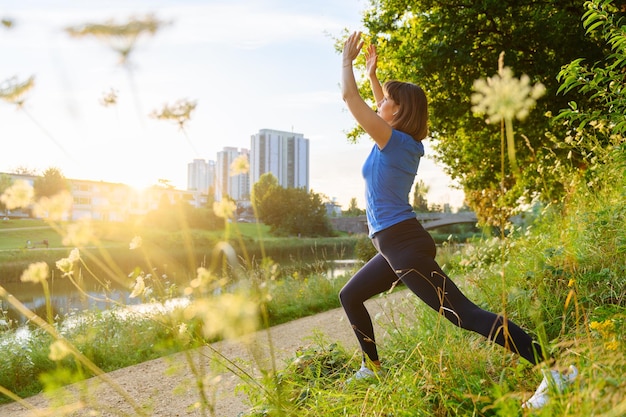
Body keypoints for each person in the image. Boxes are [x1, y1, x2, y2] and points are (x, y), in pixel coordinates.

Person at [339, 31, 576, 409]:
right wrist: (372, 74)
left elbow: (350, 99)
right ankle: (373, 366)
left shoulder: (394, 142)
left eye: (386, 101)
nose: (379, 102)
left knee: (464, 315)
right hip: (395, 244)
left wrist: (347, 62)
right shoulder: (398, 140)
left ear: (397, 113)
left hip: (402, 244)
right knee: (349, 295)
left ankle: (557, 370)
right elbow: (377, 99)